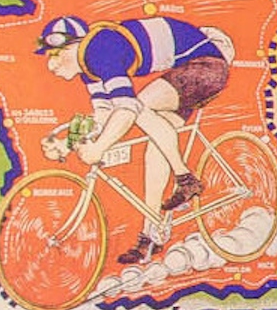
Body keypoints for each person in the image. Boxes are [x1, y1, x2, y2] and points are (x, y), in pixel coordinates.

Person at [37, 15, 235, 265]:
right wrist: (68, 142)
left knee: (138, 108)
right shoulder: (89, 69)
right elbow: (104, 114)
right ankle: (150, 236)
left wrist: (98, 148)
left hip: (206, 66)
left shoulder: (100, 48)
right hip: (186, 71)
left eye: (54, 55)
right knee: (154, 148)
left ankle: (185, 178)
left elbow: (127, 107)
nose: (51, 66)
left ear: (73, 46)